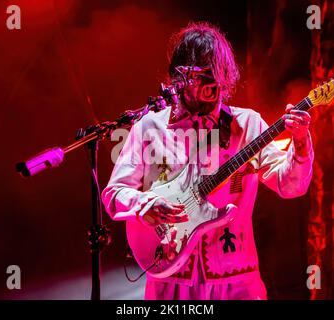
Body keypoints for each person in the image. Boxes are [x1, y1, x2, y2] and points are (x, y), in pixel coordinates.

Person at [101, 22, 313, 300]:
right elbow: (113, 196)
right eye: (198, 79)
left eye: (215, 81)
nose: (208, 91)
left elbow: (290, 186)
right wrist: (145, 203)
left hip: (235, 279)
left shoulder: (246, 124)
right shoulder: (149, 127)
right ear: (179, 77)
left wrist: (300, 143)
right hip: (169, 279)